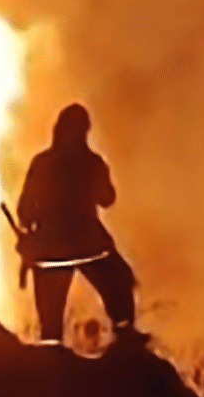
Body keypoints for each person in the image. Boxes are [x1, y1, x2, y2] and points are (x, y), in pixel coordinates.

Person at [16, 103, 138, 345]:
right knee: (121, 283)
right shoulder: (92, 162)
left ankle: (51, 359)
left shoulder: (41, 163)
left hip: (49, 254)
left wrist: (31, 235)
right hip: (90, 248)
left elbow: (24, 210)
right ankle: (127, 341)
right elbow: (108, 198)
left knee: (50, 327)